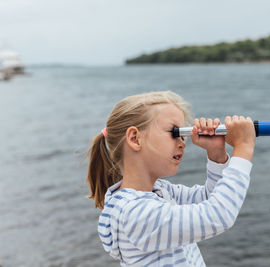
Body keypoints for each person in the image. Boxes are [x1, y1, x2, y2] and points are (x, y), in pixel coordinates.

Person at [86, 91, 256, 266]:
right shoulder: (135, 213)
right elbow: (218, 215)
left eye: (183, 135)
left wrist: (217, 156)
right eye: (174, 132)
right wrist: (243, 147)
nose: (182, 142)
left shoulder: (161, 191)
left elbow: (209, 198)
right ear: (135, 138)